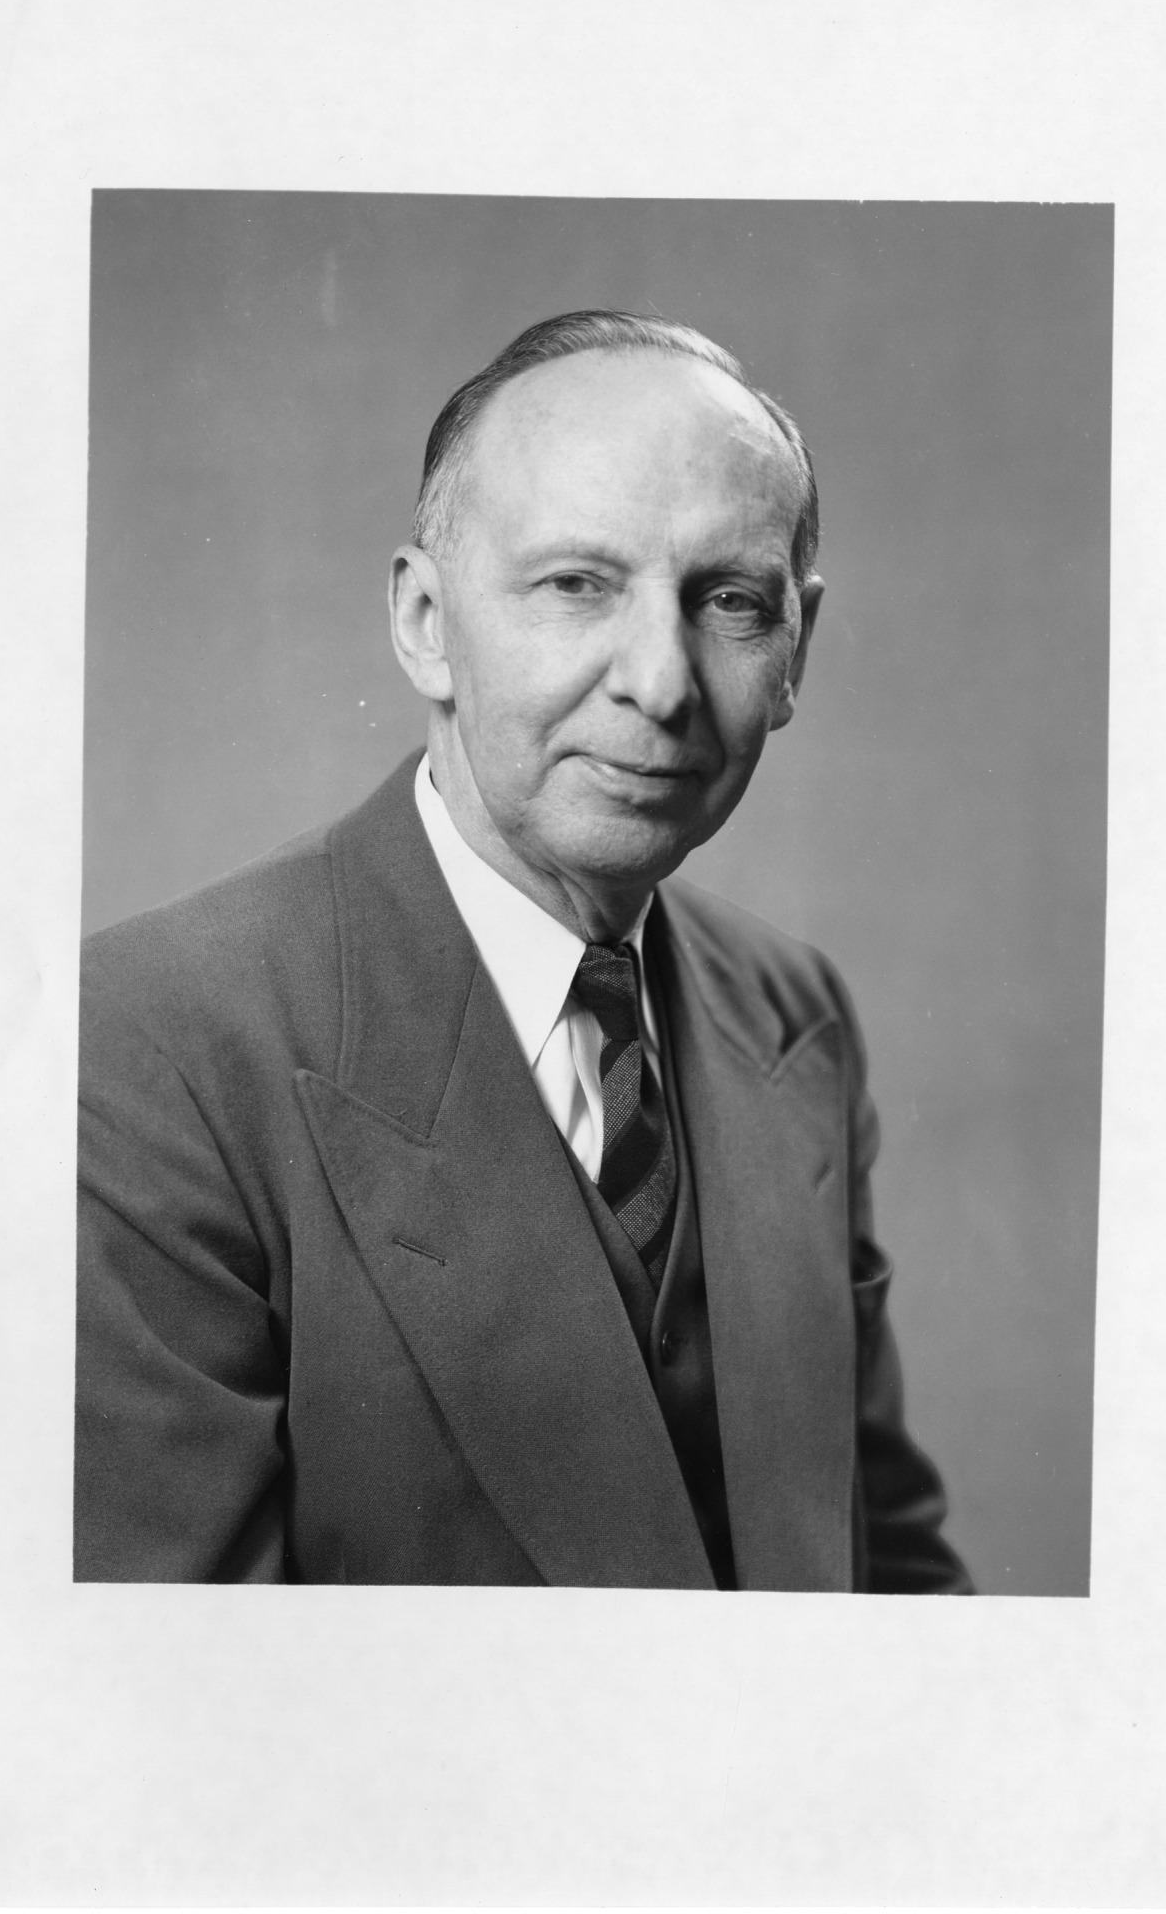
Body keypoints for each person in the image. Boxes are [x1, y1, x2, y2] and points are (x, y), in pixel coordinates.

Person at [75, 308, 971, 1591]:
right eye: (576, 585)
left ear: (794, 654)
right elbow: (186, 1684)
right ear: (425, 622)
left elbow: (895, 1587)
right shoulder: (150, 1048)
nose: (660, 682)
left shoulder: (793, 1012)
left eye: (728, 601)